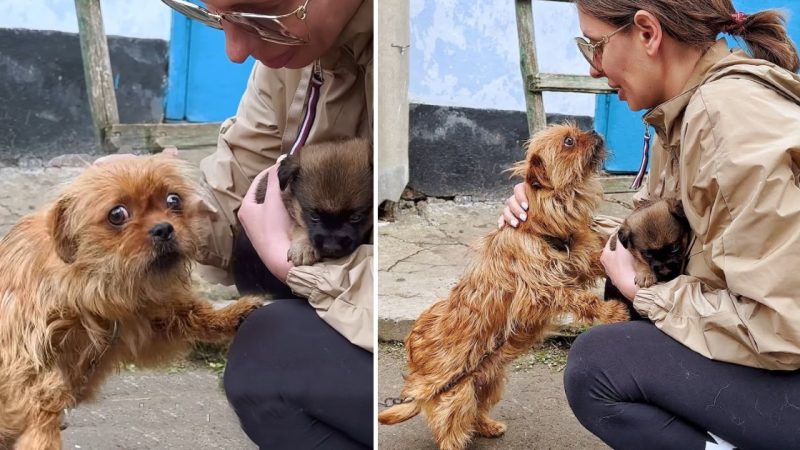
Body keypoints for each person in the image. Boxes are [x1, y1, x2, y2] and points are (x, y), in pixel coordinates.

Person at [501, 1, 800, 448]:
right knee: (624, 316)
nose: (594, 71)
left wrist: (647, 292)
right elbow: (664, 236)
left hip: (786, 353)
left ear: (647, 32)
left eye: (594, 47)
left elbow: (783, 326)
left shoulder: (727, 122)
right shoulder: (685, 112)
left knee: (599, 368)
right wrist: (549, 219)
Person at [159, 0, 374, 448]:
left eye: (258, 12)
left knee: (266, 360)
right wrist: (162, 206)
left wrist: (289, 263)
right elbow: (233, 188)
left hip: (386, 332)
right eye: (219, 18)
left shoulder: (407, 59)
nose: (235, 50)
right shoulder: (291, 55)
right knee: (261, 333)